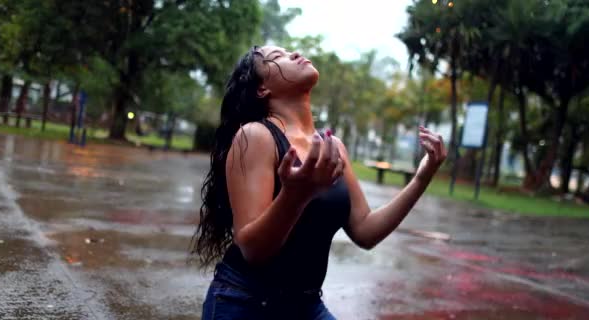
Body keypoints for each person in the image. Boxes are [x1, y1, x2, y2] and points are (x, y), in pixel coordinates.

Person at [191, 45, 447, 320]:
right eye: (278, 57)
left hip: (306, 306)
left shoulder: (332, 146)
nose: (294, 54)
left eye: (289, 51)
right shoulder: (256, 136)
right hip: (246, 303)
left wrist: (423, 176)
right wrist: (296, 194)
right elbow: (253, 250)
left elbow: (365, 231)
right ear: (262, 89)